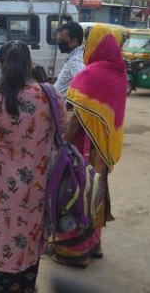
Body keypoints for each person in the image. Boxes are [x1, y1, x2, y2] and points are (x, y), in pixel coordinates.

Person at [0, 41, 67, 293]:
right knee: (31, 236)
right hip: (42, 183)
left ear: (1, 65)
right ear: (30, 64)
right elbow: (62, 133)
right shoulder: (51, 95)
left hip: (7, 189)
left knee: (6, 237)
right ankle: (27, 286)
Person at [49, 25, 127, 269]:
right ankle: (94, 245)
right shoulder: (119, 73)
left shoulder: (91, 74)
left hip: (82, 150)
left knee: (75, 195)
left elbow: (77, 119)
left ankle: (74, 252)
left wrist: (61, 144)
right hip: (103, 150)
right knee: (97, 193)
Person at [54, 21, 85, 100]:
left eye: (62, 41)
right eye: (58, 40)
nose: (59, 43)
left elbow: (84, 84)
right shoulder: (76, 56)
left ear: (74, 41)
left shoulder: (75, 61)